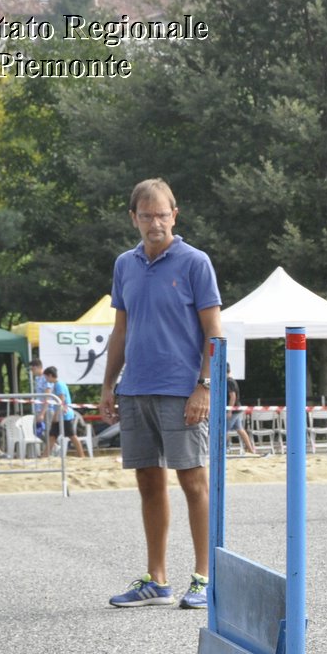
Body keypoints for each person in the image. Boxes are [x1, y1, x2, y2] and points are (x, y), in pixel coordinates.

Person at [99, 177, 222, 610]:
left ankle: (206, 579)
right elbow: (120, 330)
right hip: (135, 390)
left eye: (163, 213)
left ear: (176, 214)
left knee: (194, 482)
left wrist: (204, 386)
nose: (156, 222)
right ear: (133, 218)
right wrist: (108, 385)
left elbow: (214, 333)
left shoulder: (195, 262)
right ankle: (157, 579)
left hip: (182, 390)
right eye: (147, 215)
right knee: (149, 483)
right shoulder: (125, 265)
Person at [41, 366, 90, 459]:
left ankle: (82, 455)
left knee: (72, 436)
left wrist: (56, 415)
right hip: (62, 414)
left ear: (50, 375)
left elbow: (61, 401)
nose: (46, 379)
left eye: (46, 377)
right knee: (52, 435)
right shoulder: (58, 384)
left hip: (64, 415)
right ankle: (45, 455)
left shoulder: (59, 385)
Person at [226, 372, 260, 457]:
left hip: (233, 410)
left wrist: (229, 410)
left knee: (224, 430)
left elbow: (232, 396)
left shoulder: (228, 381)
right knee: (240, 429)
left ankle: (224, 449)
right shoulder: (232, 381)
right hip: (237, 409)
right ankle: (251, 449)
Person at [29, 357, 51, 440]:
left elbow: (48, 396)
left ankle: (54, 448)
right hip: (39, 409)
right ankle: (54, 448)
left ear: (37, 367)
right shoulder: (37, 378)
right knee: (36, 431)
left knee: (49, 432)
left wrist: (42, 413)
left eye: (32, 369)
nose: (32, 372)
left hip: (47, 410)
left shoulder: (46, 378)